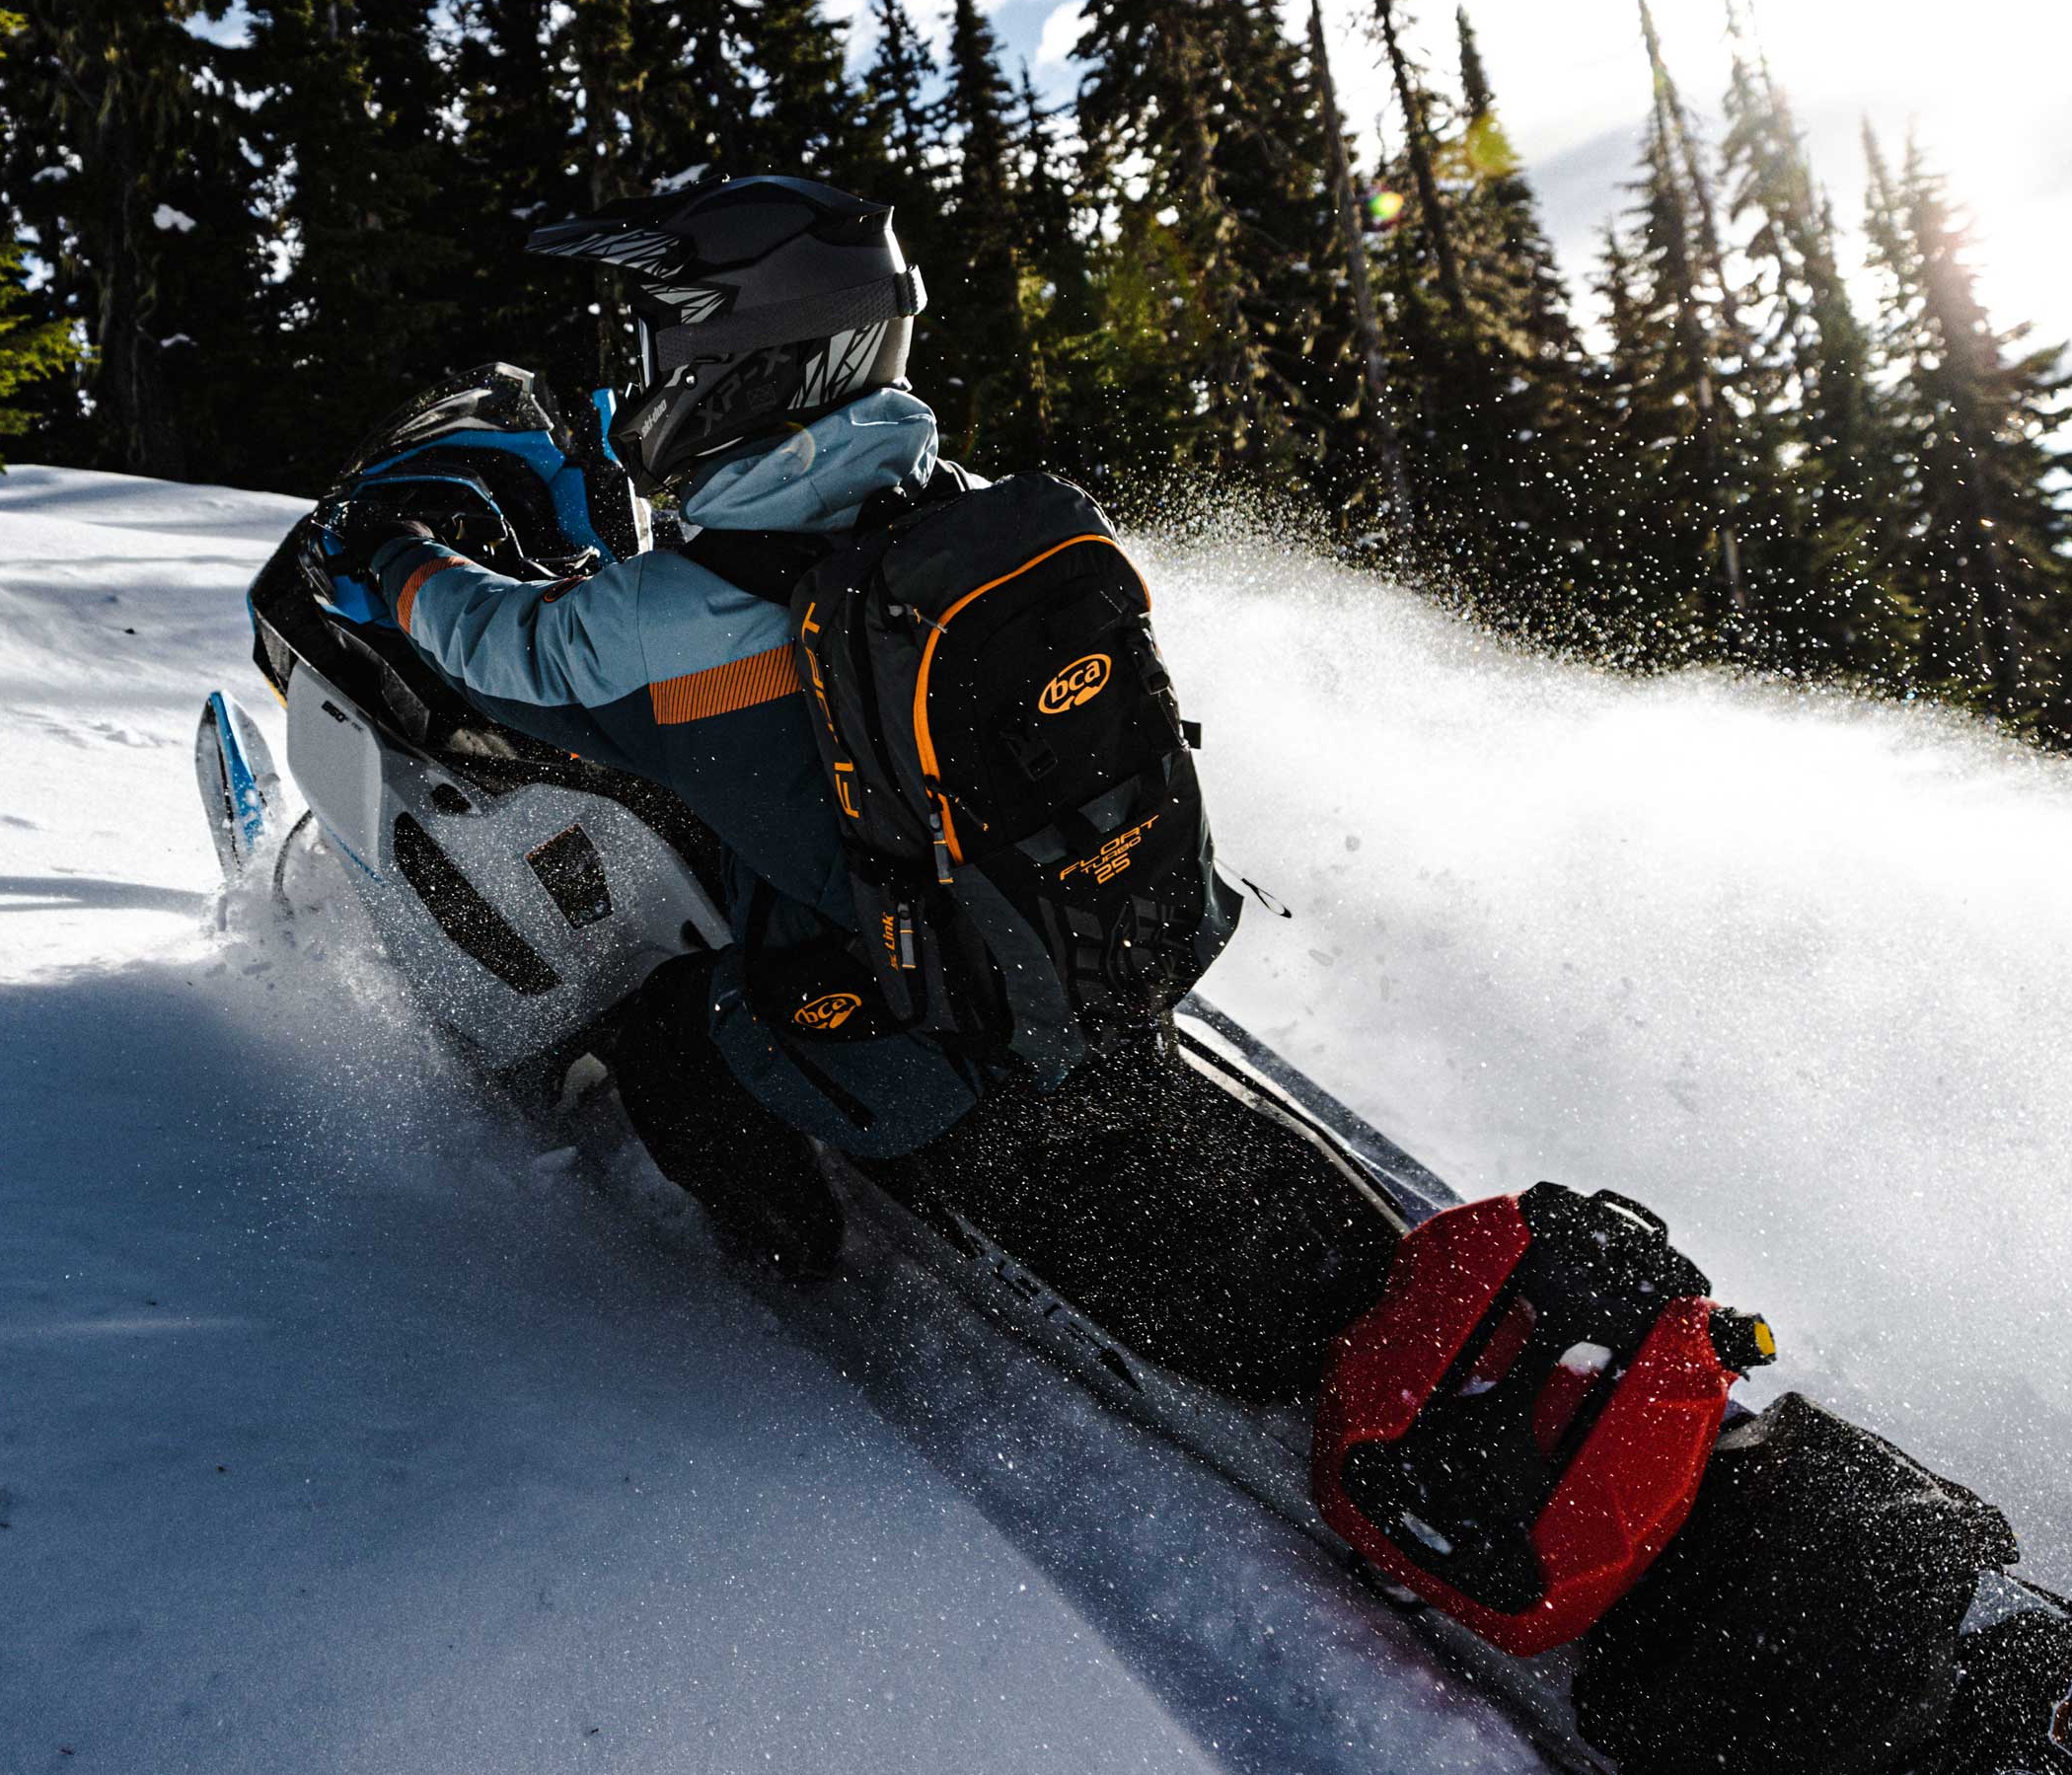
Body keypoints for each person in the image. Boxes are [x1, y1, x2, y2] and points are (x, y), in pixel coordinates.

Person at [330, 178, 1385, 1397]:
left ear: (732, 359)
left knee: (671, 1044)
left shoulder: (684, 613)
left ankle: (794, 1260)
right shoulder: (978, 508)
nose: (636, 371)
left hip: (911, 1019)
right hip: (1095, 922)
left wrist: (394, 558)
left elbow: (504, 654)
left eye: (649, 343)